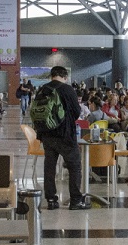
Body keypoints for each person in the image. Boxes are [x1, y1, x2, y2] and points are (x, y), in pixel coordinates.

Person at [36, 66, 89, 210]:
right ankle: (76, 200)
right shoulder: (67, 89)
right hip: (65, 135)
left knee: (49, 167)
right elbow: (77, 113)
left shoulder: (42, 89)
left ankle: (52, 200)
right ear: (64, 76)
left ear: (52, 75)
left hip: (46, 135)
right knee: (74, 166)